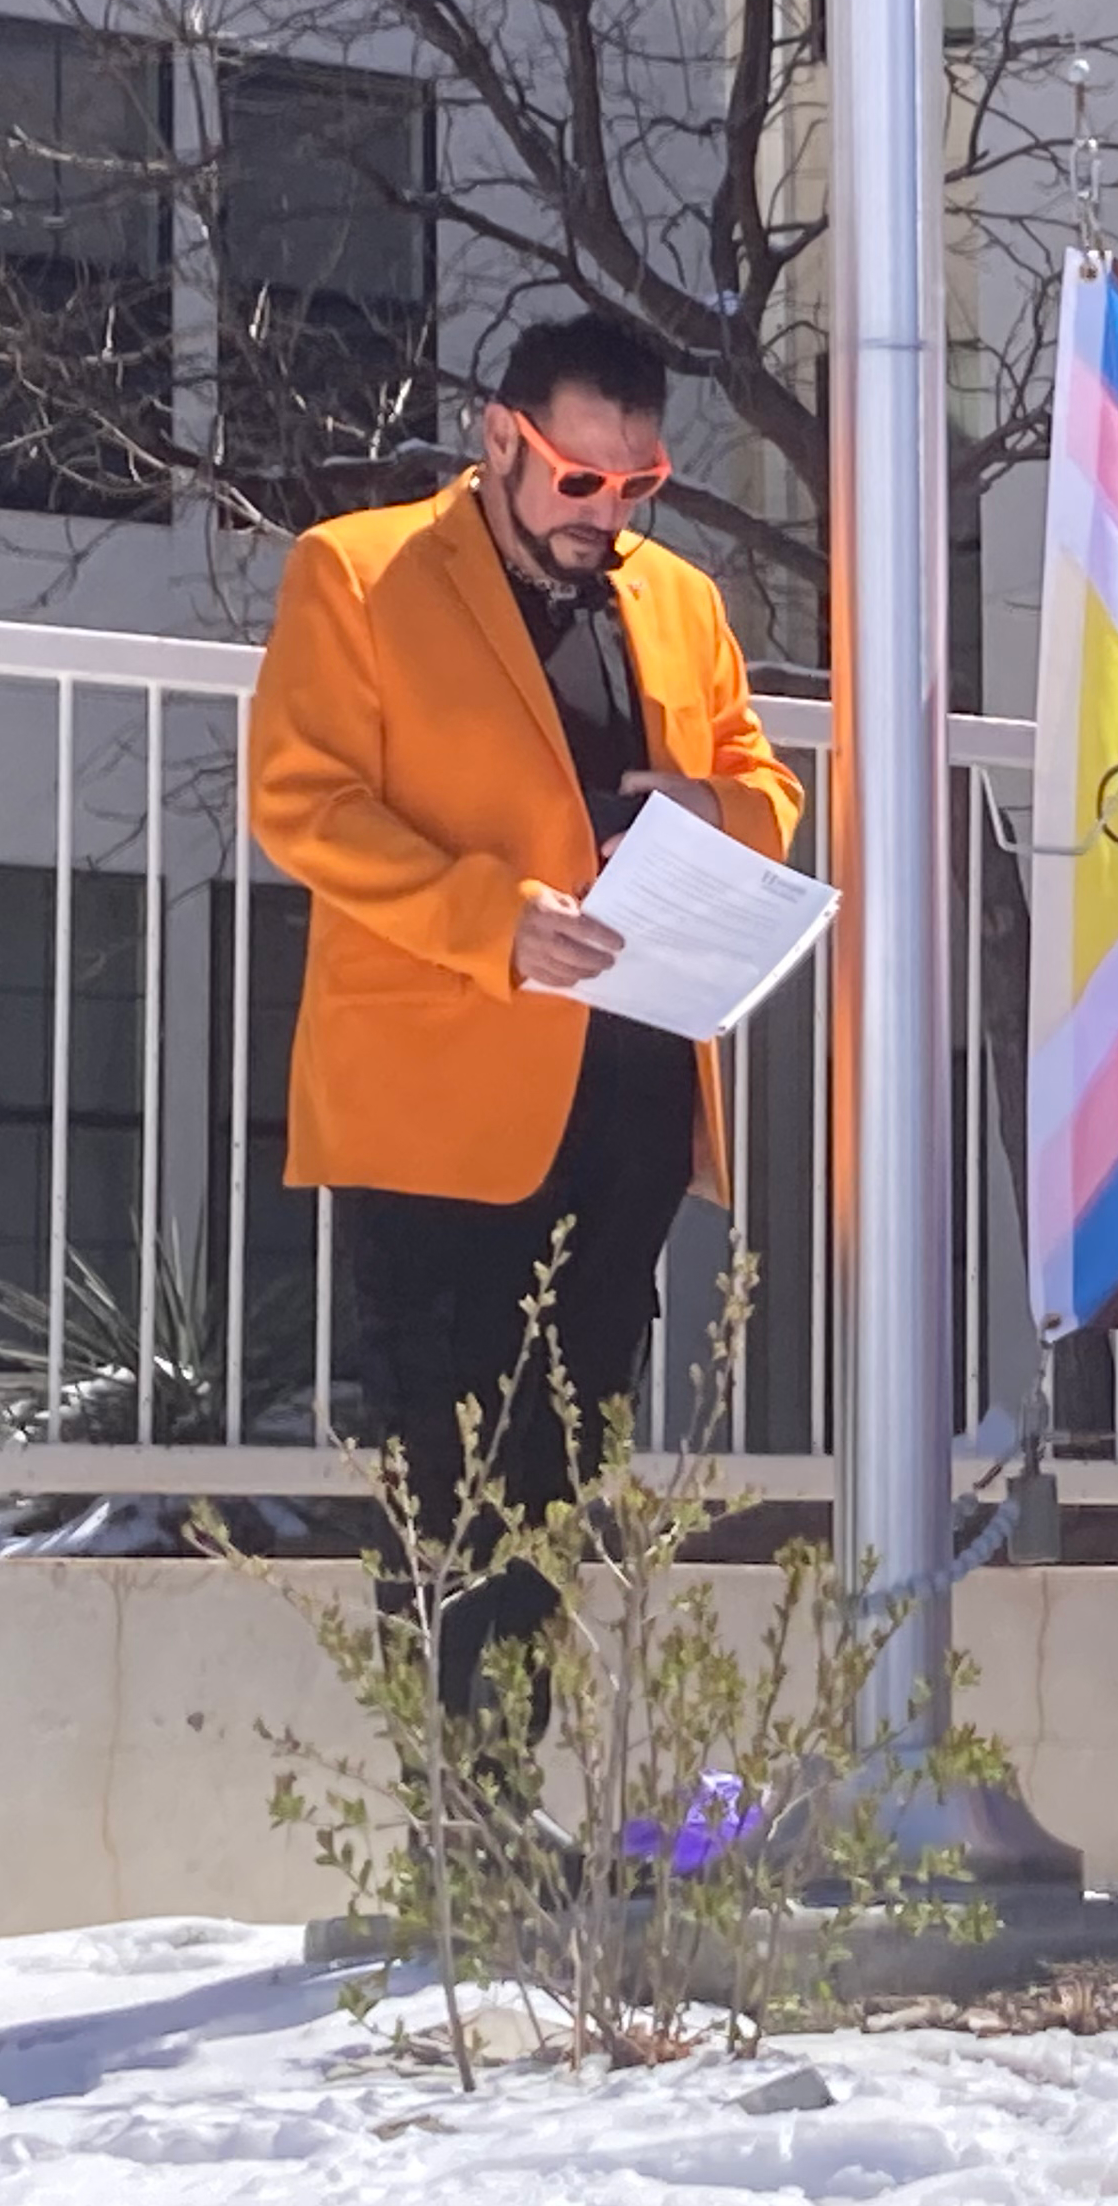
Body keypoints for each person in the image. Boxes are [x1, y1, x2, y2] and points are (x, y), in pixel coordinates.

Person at [249, 312, 803, 1732]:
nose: (606, 516)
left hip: (631, 1097)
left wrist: (718, 812)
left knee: (564, 1476)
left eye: (638, 486)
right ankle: (462, 1845)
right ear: (500, 439)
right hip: (437, 1106)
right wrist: (486, 919)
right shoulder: (356, 573)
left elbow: (763, 781)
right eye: (577, 482)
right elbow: (302, 802)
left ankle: (507, 1819)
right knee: (446, 1485)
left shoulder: (680, 601)